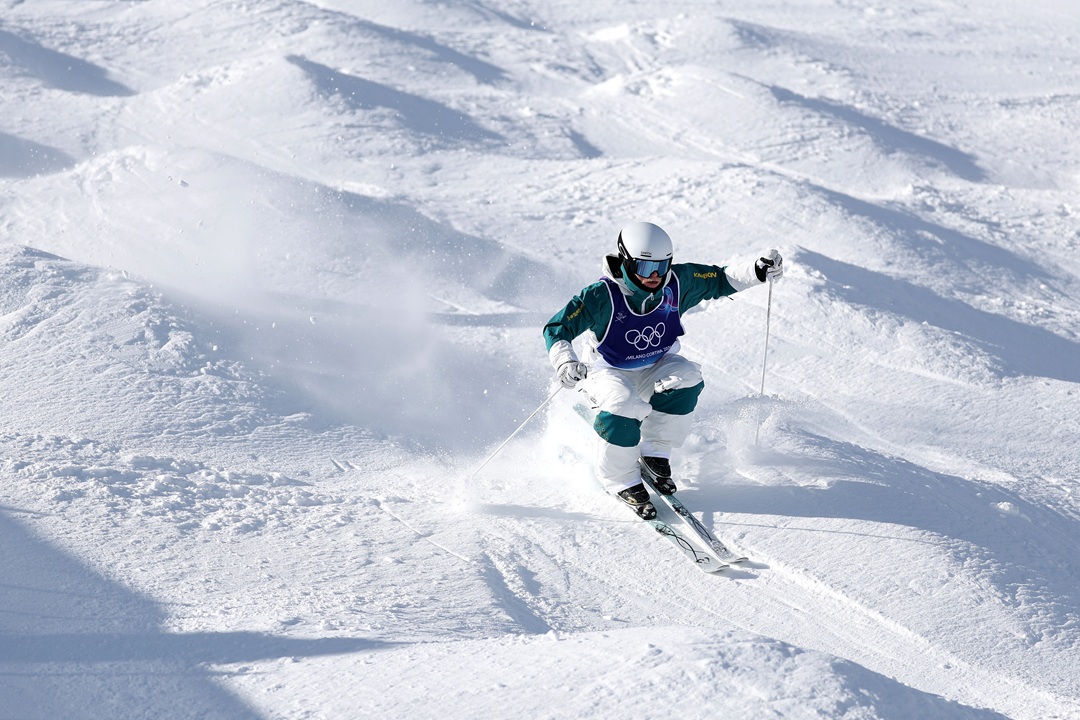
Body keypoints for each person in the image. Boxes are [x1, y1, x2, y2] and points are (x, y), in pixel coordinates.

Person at [542, 221, 783, 519]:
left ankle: (655, 450)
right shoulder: (601, 296)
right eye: (644, 268)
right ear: (626, 262)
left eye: (661, 266)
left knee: (688, 378)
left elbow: (719, 279)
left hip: (655, 365)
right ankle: (620, 480)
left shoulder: (677, 282)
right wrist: (565, 361)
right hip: (606, 372)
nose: (655, 276)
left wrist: (757, 271)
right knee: (623, 404)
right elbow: (558, 327)